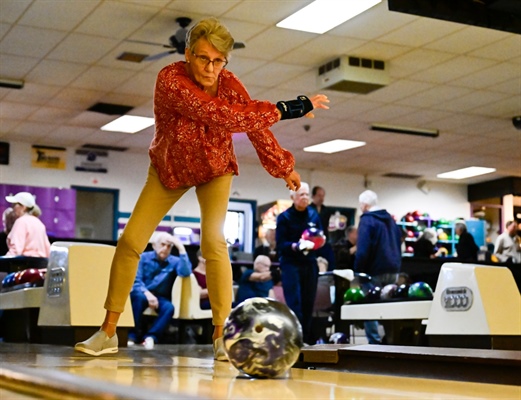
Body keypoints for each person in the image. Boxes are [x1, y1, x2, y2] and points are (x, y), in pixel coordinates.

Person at [74, 17, 329, 359]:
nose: (211, 68)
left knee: (213, 241)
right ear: (188, 53)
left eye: (219, 61)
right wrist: (288, 108)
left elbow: (252, 124)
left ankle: (222, 335)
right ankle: (108, 333)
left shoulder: (229, 81)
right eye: (203, 58)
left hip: (215, 169)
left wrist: (283, 166)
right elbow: (220, 115)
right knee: (131, 240)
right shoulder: (170, 79)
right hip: (169, 169)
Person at [276, 182, 322, 344]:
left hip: (310, 263)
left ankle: (307, 341)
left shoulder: (313, 215)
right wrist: (295, 246)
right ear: (292, 197)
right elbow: (280, 244)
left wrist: (318, 242)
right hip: (291, 264)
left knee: (309, 303)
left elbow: (321, 237)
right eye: (301, 194)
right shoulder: (284, 218)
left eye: (307, 194)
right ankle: (295, 340)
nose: (305, 198)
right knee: (295, 303)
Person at [127, 232, 191, 349]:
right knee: (137, 297)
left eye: (169, 246)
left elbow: (185, 272)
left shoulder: (175, 261)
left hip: (160, 297)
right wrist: (147, 294)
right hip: (142, 292)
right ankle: (132, 336)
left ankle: (150, 337)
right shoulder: (143, 258)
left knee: (169, 307)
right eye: (162, 244)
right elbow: (136, 281)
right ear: (154, 245)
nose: (165, 248)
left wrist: (181, 248)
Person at [355, 190, 402, 344]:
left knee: (371, 307)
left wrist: (358, 270)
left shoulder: (367, 220)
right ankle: (391, 341)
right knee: (388, 308)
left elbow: (363, 248)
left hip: (373, 269)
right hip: (393, 268)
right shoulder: (390, 220)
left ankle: (374, 344)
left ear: (365, 205)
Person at [4, 192, 50, 258]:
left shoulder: (21, 222)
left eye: (15, 204)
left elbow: (15, 250)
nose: (13, 208)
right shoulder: (39, 223)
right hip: (40, 267)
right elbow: (47, 250)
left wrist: (3, 264)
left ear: (23, 207)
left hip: (25, 266)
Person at [309, 186, 336, 269]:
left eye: (323, 196)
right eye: (319, 195)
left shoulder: (326, 211)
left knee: (331, 261)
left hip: (324, 242)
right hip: (311, 243)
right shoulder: (308, 210)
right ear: (313, 196)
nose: (321, 198)